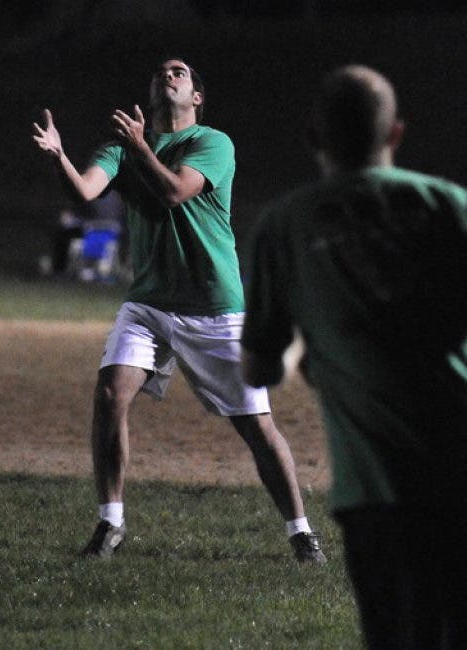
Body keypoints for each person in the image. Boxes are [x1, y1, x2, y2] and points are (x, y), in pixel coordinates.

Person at [241, 65, 467, 648]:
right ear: (395, 133)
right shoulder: (456, 206)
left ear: (312, 137)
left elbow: (260, 369)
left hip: (377, 484)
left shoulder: (285, 227)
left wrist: (308, 342)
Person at [32, 58, 325, 562]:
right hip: (149, 303)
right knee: (109, 394)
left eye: (180, 73)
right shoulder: (124, 146)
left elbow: (174, 191)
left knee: (256, 424)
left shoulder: (212, 144)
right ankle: (111, 523)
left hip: (214, 305)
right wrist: (59, 156)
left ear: (197, 98)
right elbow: (84, 192)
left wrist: (141, 147)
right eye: (161, 73)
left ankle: (300, 532)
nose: (168, 76)